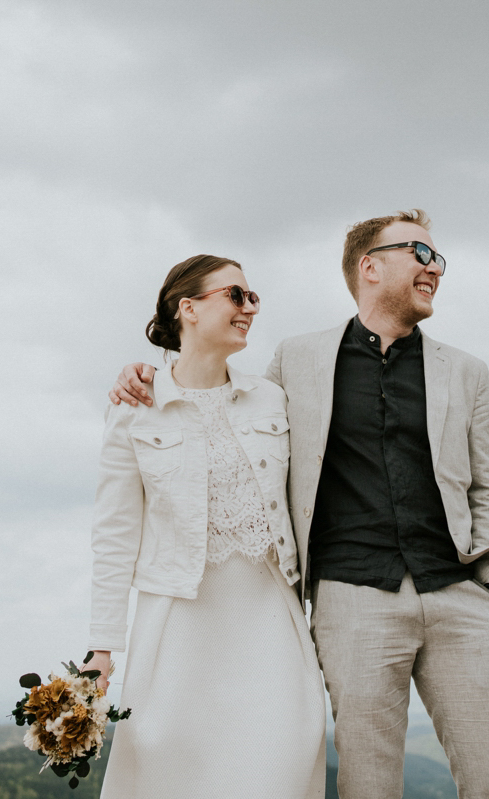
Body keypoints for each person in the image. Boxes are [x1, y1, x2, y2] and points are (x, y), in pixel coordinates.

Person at [112, 211, 489, 799]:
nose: (435, 267)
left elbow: (488, 487)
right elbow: (221, 398)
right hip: (351, 601)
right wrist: (145, 374)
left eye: (439, 259)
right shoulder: (297, 360)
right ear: (370, 266)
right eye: (421, 253)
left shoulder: (468, 372)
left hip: (459, 597)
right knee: (368, 784)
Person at [85, 254, 326, 799]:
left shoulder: (273, 397)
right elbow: (114, 535)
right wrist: (102, 648)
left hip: (271, 627)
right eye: (236, 295)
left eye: (253, 298)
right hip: (178, 632)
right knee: (173, 776)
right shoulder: (134, 409)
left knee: (276, 771)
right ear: (187, 308)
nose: (250, 308)